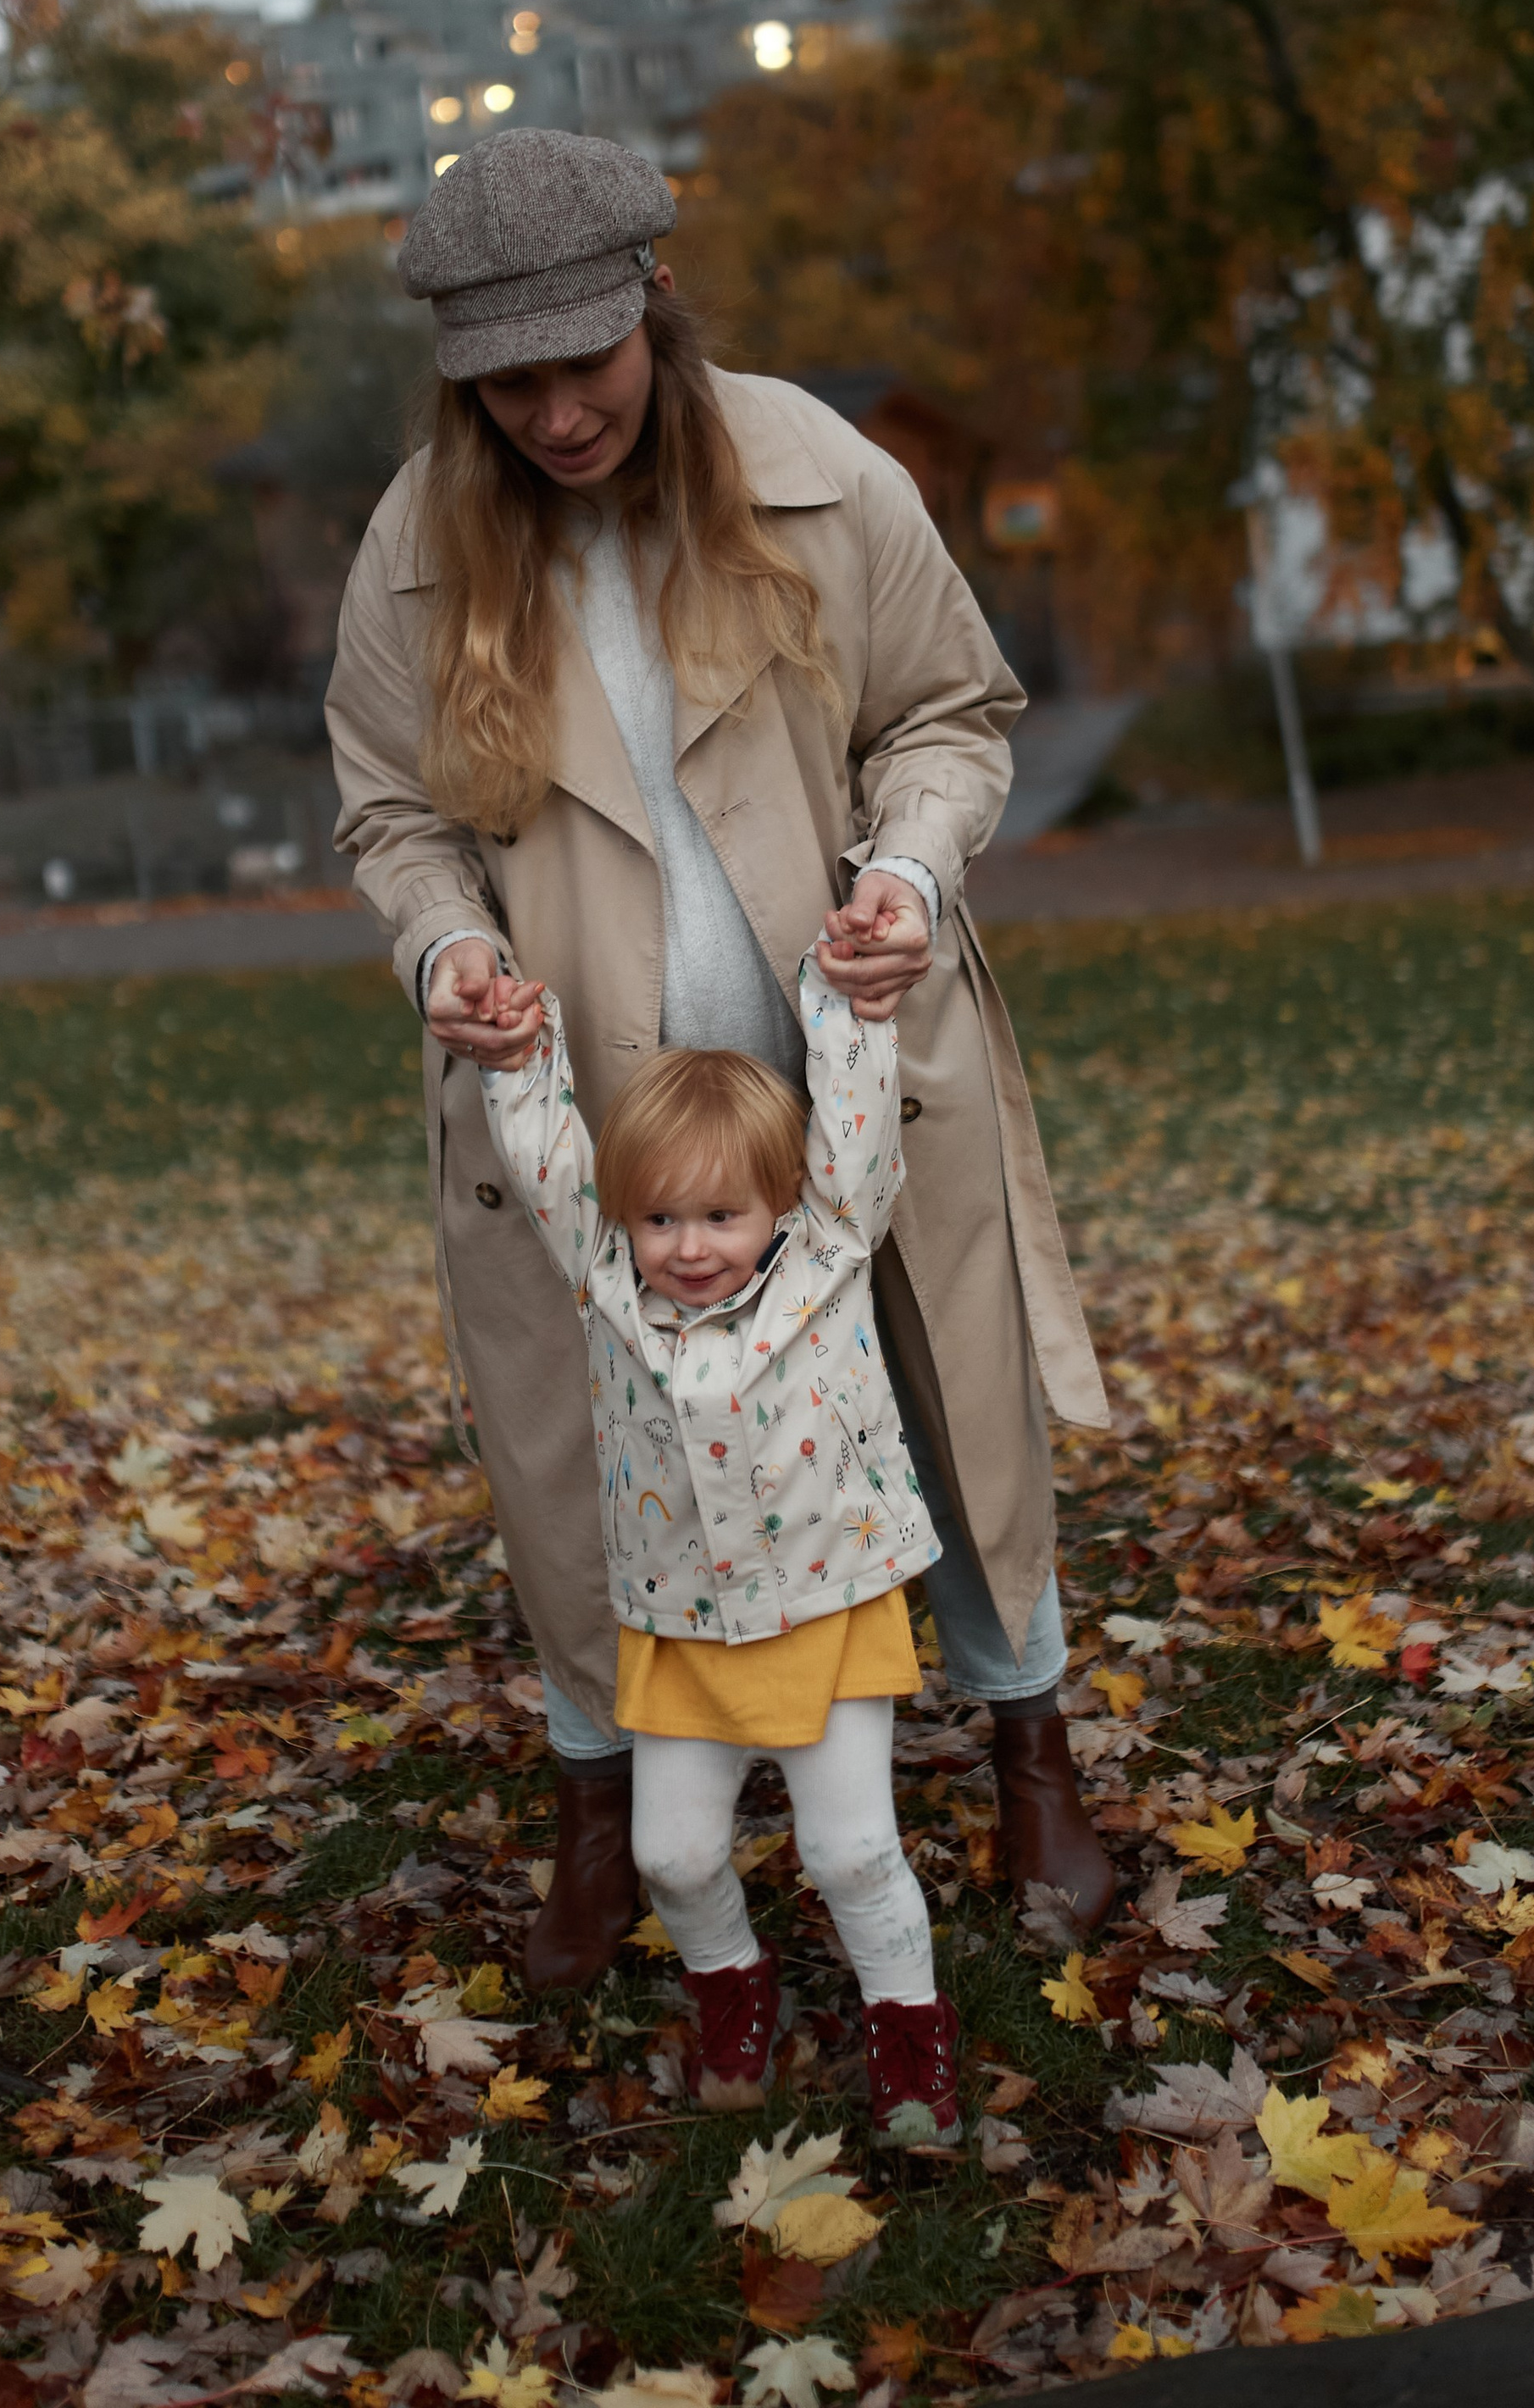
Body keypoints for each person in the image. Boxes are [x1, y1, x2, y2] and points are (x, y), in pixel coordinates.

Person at [325, 125, 1116, 1992]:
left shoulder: (823, 478)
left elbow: (952, 714)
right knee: (584, 1450)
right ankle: (603, 1808)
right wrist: (444, 942)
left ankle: (1026, 1747)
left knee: (939, 1402)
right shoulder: (415, 547)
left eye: (576, 367)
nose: (548, 414)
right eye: (500, 383)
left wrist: (910, 867)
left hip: (840, 1053)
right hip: (578, 1106)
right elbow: (391, 816)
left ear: (651, 312)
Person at [470, 921, 963, 2138]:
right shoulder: (606, 1284)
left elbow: (852, 1130)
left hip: (825, 1598)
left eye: (721, 1217)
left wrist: (849, 1012)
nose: (688, 1248)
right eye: (661, 1221)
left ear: (781, 1203)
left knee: (851, 1852)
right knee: (677, 1859)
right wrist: (521, 1063)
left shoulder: (832, 1253)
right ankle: (734, 1991)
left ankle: (911, 2035)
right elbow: (550, 1166)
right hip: (681, 1620)